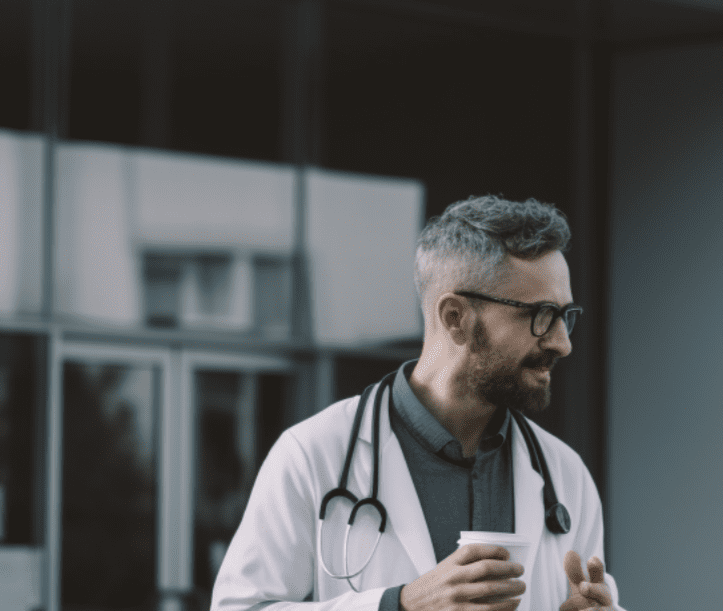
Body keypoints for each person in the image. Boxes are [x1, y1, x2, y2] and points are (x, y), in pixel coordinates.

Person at [213, 195, 620, 611]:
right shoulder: (312, 455)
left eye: (566, 316)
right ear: (455, 318)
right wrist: (400, 605)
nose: (562, 343)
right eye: (541, 315)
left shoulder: (565, 475)